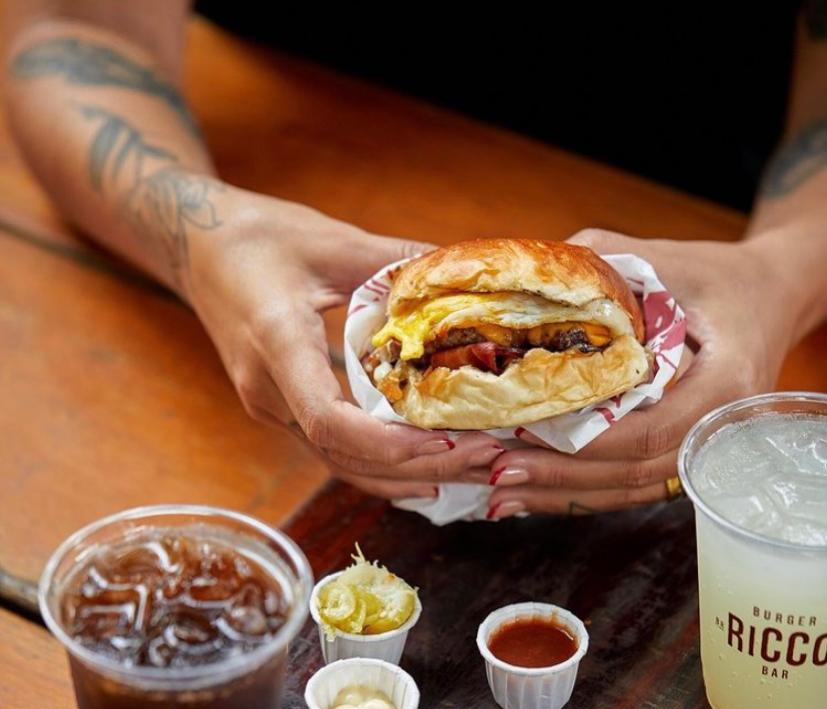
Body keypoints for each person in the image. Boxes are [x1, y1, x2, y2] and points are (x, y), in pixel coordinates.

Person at [4, 3, 827, 519]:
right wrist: (198, 237)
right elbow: (72, 30)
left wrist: (784, 275)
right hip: (293, 194)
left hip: (705, 220)